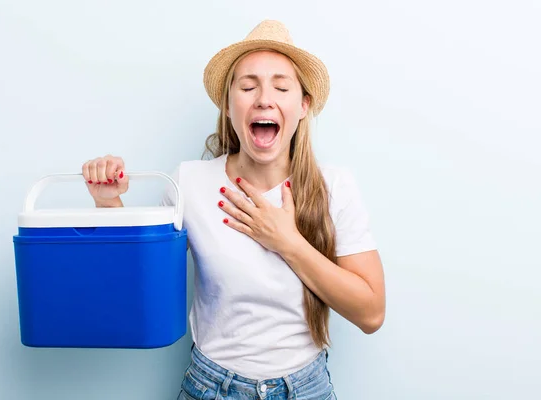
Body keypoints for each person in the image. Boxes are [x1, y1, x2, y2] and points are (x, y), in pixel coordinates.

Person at [81, 20, 385, 400]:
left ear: (303, 105)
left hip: (307, 389)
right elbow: (133, 286)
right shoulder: (189, 182)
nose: (263, 98)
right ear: (228, 105)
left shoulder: (335, 186)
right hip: (211, 387)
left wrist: (288, 242)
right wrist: (107, 201)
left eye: (281, 86)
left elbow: (371, 314)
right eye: (247, 86)